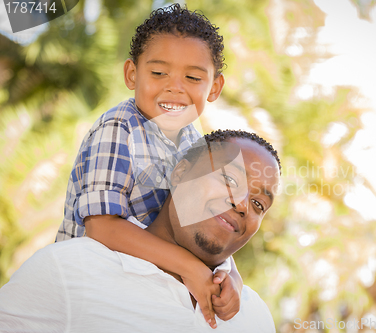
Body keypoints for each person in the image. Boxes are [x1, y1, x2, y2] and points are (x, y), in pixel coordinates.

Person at [55, 4, 238, 326]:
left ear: (215, 88)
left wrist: (228, 274)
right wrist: (190, 267)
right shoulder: (118, 128)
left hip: (142, 293)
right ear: (131, 74)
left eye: (193, 77)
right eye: (158, 73)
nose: (175, 86)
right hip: (88, 286)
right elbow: (101, 226)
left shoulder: (196, 146)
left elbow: (202, 223)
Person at [0, 130, 281, 332]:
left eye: (258, 203)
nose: (243, 204)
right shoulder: (68, 270)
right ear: (180, 173)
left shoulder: (255, 317)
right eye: (229, 179)